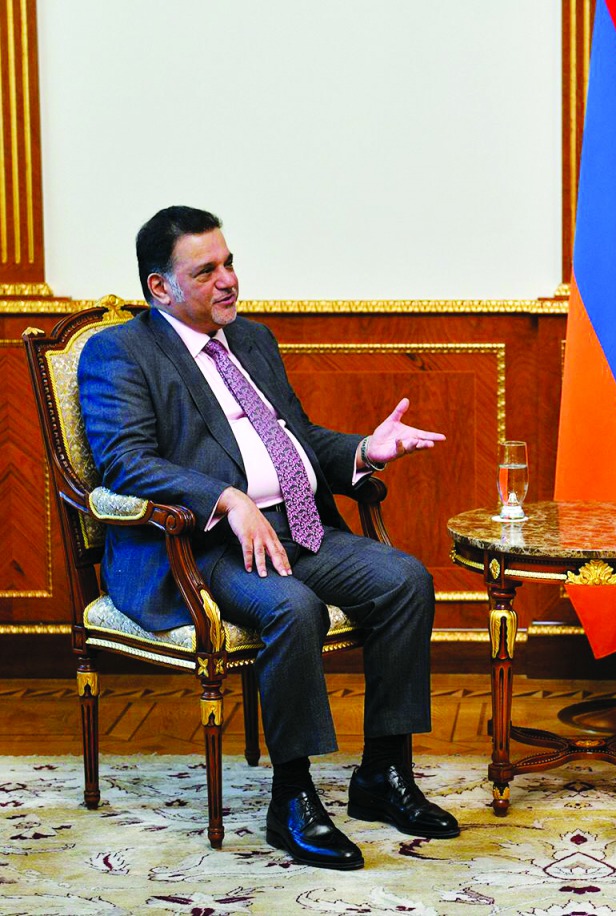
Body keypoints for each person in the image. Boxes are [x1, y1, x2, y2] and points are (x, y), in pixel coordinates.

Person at [78, 206, 458, 870]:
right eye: (206, 271)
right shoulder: (121, 353)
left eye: (229, 263)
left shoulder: (251, 339)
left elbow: (296, 440)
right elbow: (126, 462)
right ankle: (293, 798)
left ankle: (383, 774)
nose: (228, 280)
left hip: (298, 526)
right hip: (202, 547)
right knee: (293, 608)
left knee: (405, 581)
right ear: (160, 287)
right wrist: (225, 500)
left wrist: (364, 450)